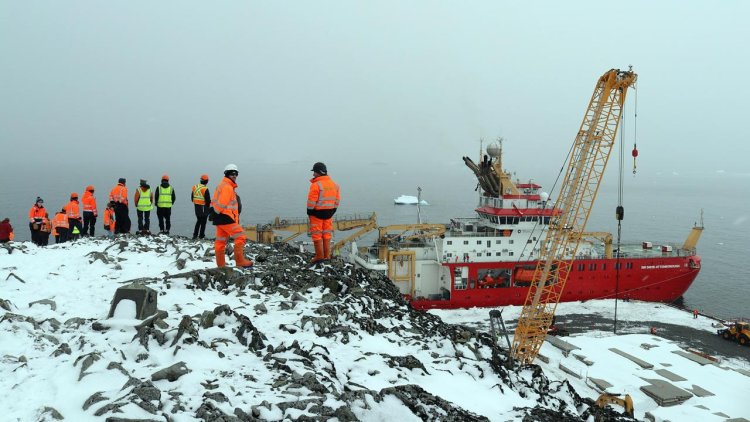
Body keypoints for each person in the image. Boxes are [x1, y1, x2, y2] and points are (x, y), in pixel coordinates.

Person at [211, 164, 253, 268]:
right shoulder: (227, 187)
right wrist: (216, 212)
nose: (234, 175)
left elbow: (215, 202)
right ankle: (239, 261)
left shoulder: (222, 185)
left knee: (220, 241)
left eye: (236, 173)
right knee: (241, 236)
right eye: (231, 173)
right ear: (226, 174)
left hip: (219, 218)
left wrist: (213, 214)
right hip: (225, 217)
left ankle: (220, 265)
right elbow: (222, 203)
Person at [306, 162, 340, 263]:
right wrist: (333, 210)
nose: (313, 174)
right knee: (327, 234)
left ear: (319, 172)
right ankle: (327, 256)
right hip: (329, 214)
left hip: (317, 214)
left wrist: (309, 212)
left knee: (317, 234)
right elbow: (337, 200)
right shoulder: (335, 185)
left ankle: (319, 256)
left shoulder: (316, 185)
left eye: (314, 172)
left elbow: (311, 201)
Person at [191, 174, 211, 239]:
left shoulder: (195, 187)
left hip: (196, 207)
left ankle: (195, 235)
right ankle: (201, 236)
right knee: (203, 222)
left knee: (198, 221)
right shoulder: (205, 189)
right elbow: (208, 201)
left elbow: (192, 198)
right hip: (203, 208)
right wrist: (208, 209)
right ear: (207, 181)